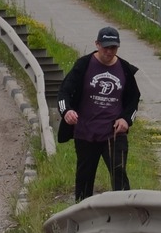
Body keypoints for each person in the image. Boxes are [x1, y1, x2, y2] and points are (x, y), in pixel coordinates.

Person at [57, 25, 141, 202]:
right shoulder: (84, 65)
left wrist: (126, 120)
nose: (109, 52)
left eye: (114, 47)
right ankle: (82, 212)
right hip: (86, 131)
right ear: (97, 44)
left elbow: (134, 99)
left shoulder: (124, 69)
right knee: (85, 176)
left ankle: (125, 211)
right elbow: (64, 92)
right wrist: (67, 111)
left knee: (119, 173)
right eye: (106, 47)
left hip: (114, 132)